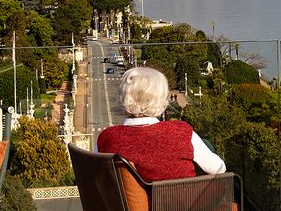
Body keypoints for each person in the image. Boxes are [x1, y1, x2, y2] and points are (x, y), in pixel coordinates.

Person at [96, 66, 226, 180]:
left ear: (123, 96)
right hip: (185, 206)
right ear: (162, 98)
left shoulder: (107, 138)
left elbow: (93, 173)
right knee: (207, 146)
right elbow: (218, 168)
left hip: (127, 208)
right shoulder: (181, 131)